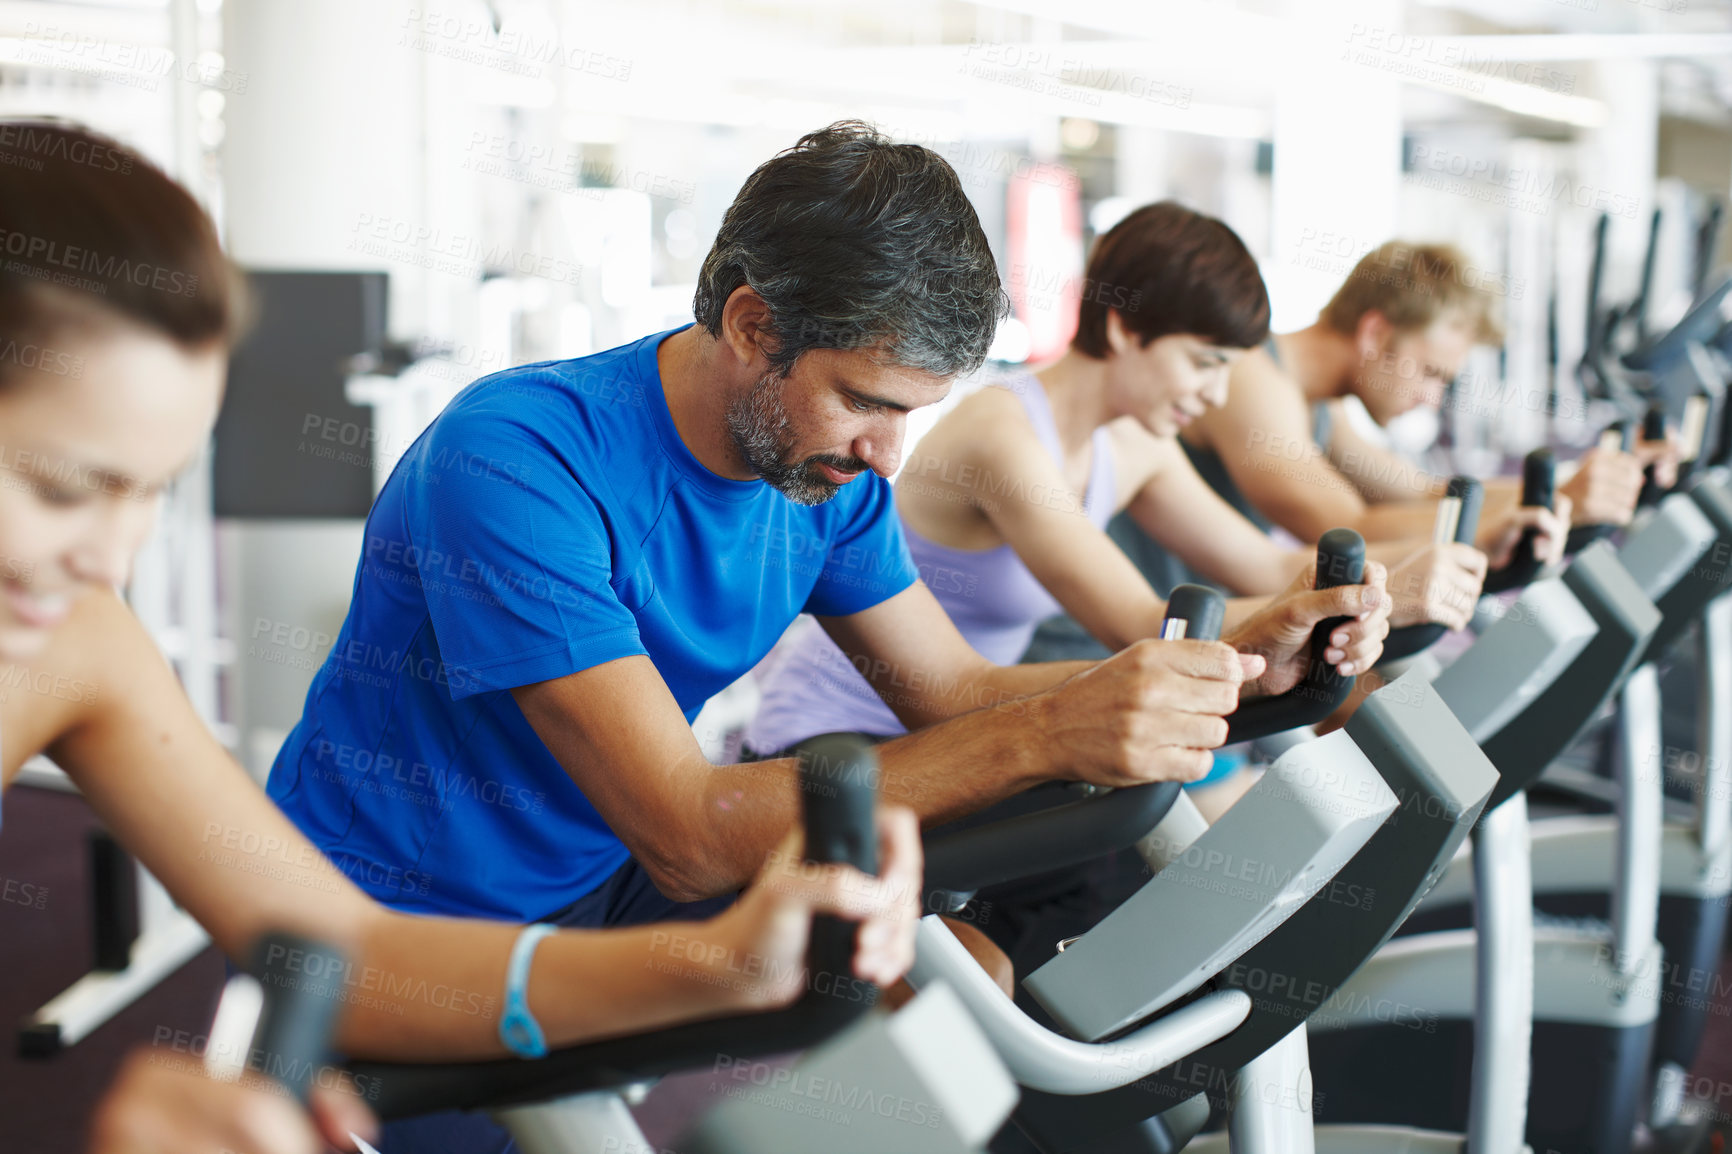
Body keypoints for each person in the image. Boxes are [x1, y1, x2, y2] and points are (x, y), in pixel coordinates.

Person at [261, 123, 1392, 1149]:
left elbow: (945, 688)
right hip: (396, 936)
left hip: (597, 876)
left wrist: (1236, 668)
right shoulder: (517, 462)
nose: (890, 456)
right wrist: (1050, 730)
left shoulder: (820, 478)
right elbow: (687, 835)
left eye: (915, 412)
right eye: (867, 401)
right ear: (754, 326)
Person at [0, 119, 923, 1154]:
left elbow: (347, 946)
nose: (110, 561)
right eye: (64, 487)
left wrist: (716, 962)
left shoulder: (81, 641)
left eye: (151, 494)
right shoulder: (517, 446)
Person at [743, 203, 1567, 775]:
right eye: (1203, 364)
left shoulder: (1136, 443)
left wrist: (1387, 587)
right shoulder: (1003, 434)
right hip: (835, 742)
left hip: (962, 730)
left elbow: (1259, 566)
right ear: (1129, 327)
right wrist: (1348, 595)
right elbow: (1145, 626)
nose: (1214, 395)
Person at [1179, 239, 1662, 549]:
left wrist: (1567, 487)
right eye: (1430, 372)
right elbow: (1348, 530)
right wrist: (1562, 505)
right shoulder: (1253, 381)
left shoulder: (1321, 406)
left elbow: (1422, 493)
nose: (1432, 398)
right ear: (1374, 335)